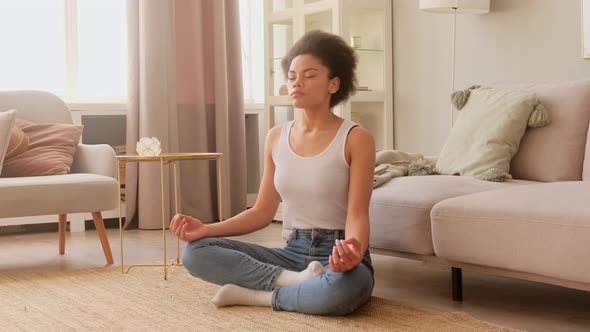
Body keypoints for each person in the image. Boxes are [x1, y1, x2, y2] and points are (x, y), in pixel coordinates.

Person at [170, 30, 376, 315]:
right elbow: (262, 212)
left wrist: (352, 251)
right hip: (292, 252)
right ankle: (294, 283)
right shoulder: (276, 137)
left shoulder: (356, 138)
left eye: (309, 75)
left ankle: (258, 296)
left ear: (334, 84)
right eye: (292, 76)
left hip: (337, 253)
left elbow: (357, 214)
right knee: (195, 252)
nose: (297, 83)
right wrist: (207, 229)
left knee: (341, 290)